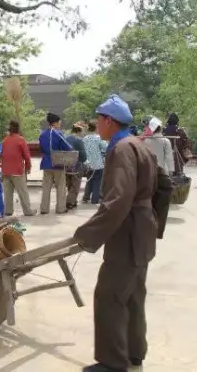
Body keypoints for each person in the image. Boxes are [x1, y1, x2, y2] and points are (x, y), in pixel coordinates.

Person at [73, 94, 159, 372]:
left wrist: (86, 234)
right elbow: (164, 185)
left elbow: (118, 200)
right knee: (133, 294)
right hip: (142, 230)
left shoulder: (121, 148)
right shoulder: (140, 145)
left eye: (98, 119)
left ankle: (112, 363)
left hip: (127, 234)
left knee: (110, 296)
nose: (96, 125)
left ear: (109, 121)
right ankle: (134, 353)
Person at [0, 119, 36, 217]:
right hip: (17, 170)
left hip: (6, 170)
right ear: (18, 129)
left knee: (7, 193)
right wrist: (28, 167)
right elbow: (26, 156)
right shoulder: (21, 140)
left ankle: (8, 211)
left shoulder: (4, 141)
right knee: (22, 191)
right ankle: (28, 211)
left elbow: (0, 156)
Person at [38, 113, 72, 214]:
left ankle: (44, 209)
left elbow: (41, 149)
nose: (60, 123)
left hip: (46, 163)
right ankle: (60, 208)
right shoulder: (59, 134)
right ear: (55, 123)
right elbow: (67, 148)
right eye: (59, 122)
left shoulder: (43, 134)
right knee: (61, 187)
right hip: (58, 164)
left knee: (46, 187)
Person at [82, 121, 107, 205]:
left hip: (88, 164)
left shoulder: (85, 138)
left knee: (89, 180)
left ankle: (86, 197)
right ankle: (95, 199)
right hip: (98, 164)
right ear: (96, 128)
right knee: (98, 181)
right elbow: (105, 147)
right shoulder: (98, 138)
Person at [65, 123, 88, 210]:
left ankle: (73, 201)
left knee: (70, 184)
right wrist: (84, 161)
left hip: (66, 165)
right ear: (78, 131)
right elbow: (83, 155)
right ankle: (69, 202)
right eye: (82, 132)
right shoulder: (79, 140)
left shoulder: (65, 138)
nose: (83, 134)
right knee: (75, 186)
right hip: (76, 166)